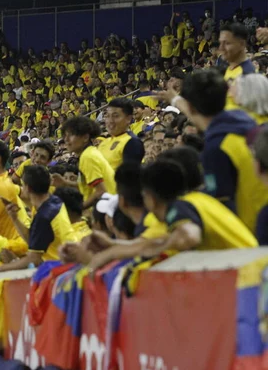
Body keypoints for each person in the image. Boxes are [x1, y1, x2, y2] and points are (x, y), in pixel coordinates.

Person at [87, 159, 258, 273]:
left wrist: (157, 248)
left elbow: (188, 236)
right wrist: (114, 246)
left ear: (150, 199)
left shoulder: (180, 208)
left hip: (251, 280)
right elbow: (148, 242)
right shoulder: (198, 200)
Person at [159, 69, 268, 233]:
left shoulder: (216, 149)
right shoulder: (245, 119)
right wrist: (175, 100)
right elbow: (199, 116)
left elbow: (224, 207)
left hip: (253, 236)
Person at [0, 165, 76, 276]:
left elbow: (33, 259)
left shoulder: (44, 217)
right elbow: (32, 241)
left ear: (28, 188)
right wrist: (14, 218)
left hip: (61, 271)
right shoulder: (53, 201)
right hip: (67, 264)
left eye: (22, 184)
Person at [59, 117, 117, 209]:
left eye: (70, 135)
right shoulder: (90, 152)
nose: (66, 140)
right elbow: (88, 186)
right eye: (65, 136)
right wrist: (66, 183)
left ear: (85, 137)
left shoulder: (87, 157)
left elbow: (101, 191)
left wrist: (78, 209)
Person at [97, 98, 145, 170]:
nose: (110, 121)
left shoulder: (132, 142)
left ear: (128, 119)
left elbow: (130, 178)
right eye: (107, 116)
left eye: (115, 116)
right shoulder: (104, 143)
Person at [219, 22, 255, 109]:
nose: (221, 48)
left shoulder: (248, 74)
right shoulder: (227, 69)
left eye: (227, 43)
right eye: (220, 43)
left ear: (242, 44)